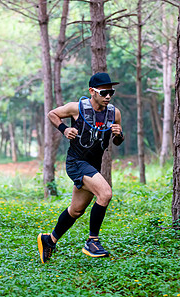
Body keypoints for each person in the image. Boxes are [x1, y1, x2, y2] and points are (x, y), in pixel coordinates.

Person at [37, 72, 124, 263]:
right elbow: (52, 114)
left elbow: (117, 141)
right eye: (104, 92)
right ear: (92, 91)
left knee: (76, 210)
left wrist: (119, 135)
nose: (108, 96)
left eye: (111, 92)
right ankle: (92, 241)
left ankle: (49, 240)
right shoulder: (77, 108)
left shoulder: (114, 113)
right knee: (106, 193)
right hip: (76, 163)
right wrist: (65, 129)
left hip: (93, 165)